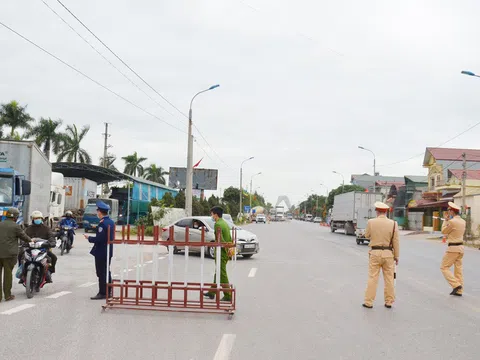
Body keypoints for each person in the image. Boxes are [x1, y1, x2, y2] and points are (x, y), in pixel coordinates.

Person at [363, 202, 400, 309]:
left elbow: (367, 235)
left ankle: (368, 302)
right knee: (389, 278)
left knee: (372, 278)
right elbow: (396, 241)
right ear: (386, 212)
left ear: (377, 211)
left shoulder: (371, 222)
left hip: (375, 253)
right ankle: (389, 301)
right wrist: (396, 256)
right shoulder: (393, 223)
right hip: (388, 254)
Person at [84, 201, 114, 300]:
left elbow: (100, 239)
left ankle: (102, 292)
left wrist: (89, 238)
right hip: (108, 250)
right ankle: (109, 291)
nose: (97, 213)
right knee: (106, 271)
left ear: (100, 212)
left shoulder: (102, 224)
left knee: (101, 272)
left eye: (97, 211)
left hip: (101, 251)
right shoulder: (111, 222)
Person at [0, 208, 31, 301]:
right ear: (16, 217)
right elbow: (24, 237)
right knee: (8, 275)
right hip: (9, 255)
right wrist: (31, 240)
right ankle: (7, 295)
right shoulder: (16, 226)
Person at [204, 206, 233, 302]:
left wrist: (224, 250)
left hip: (221, 253)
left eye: (212, 214)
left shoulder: (218, 225)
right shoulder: (224, 223)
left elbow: (221, 240)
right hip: (225, 252)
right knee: (218, 273)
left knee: (222, 274)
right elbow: (228, 238)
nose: (211, 216)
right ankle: (212, 292)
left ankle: (228, 295)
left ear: (216, 214)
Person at [440, 202, 466, 296]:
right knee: (458, 270)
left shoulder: (452, 222)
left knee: (444, 267)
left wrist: (446, 220)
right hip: (461, 248)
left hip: (453, 248)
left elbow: (443, 231)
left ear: (452, 211)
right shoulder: (463, 221)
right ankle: (459, 291)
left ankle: (456, 285)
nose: (448, 212)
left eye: (449, 210)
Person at [24, 211, 57, 283]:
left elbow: (51, 237)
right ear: (32, 219)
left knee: (53, 257)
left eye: (39, 218)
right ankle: (22, 273)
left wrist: (52, 242)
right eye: (35, 218)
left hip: (43, 249)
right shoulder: (28, 229)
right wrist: (24, 243)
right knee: (21, 255)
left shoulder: (46, 228)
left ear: (41, 219)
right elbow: (24, 237)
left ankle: (49, 272)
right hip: (30, 249)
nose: (37, 219)